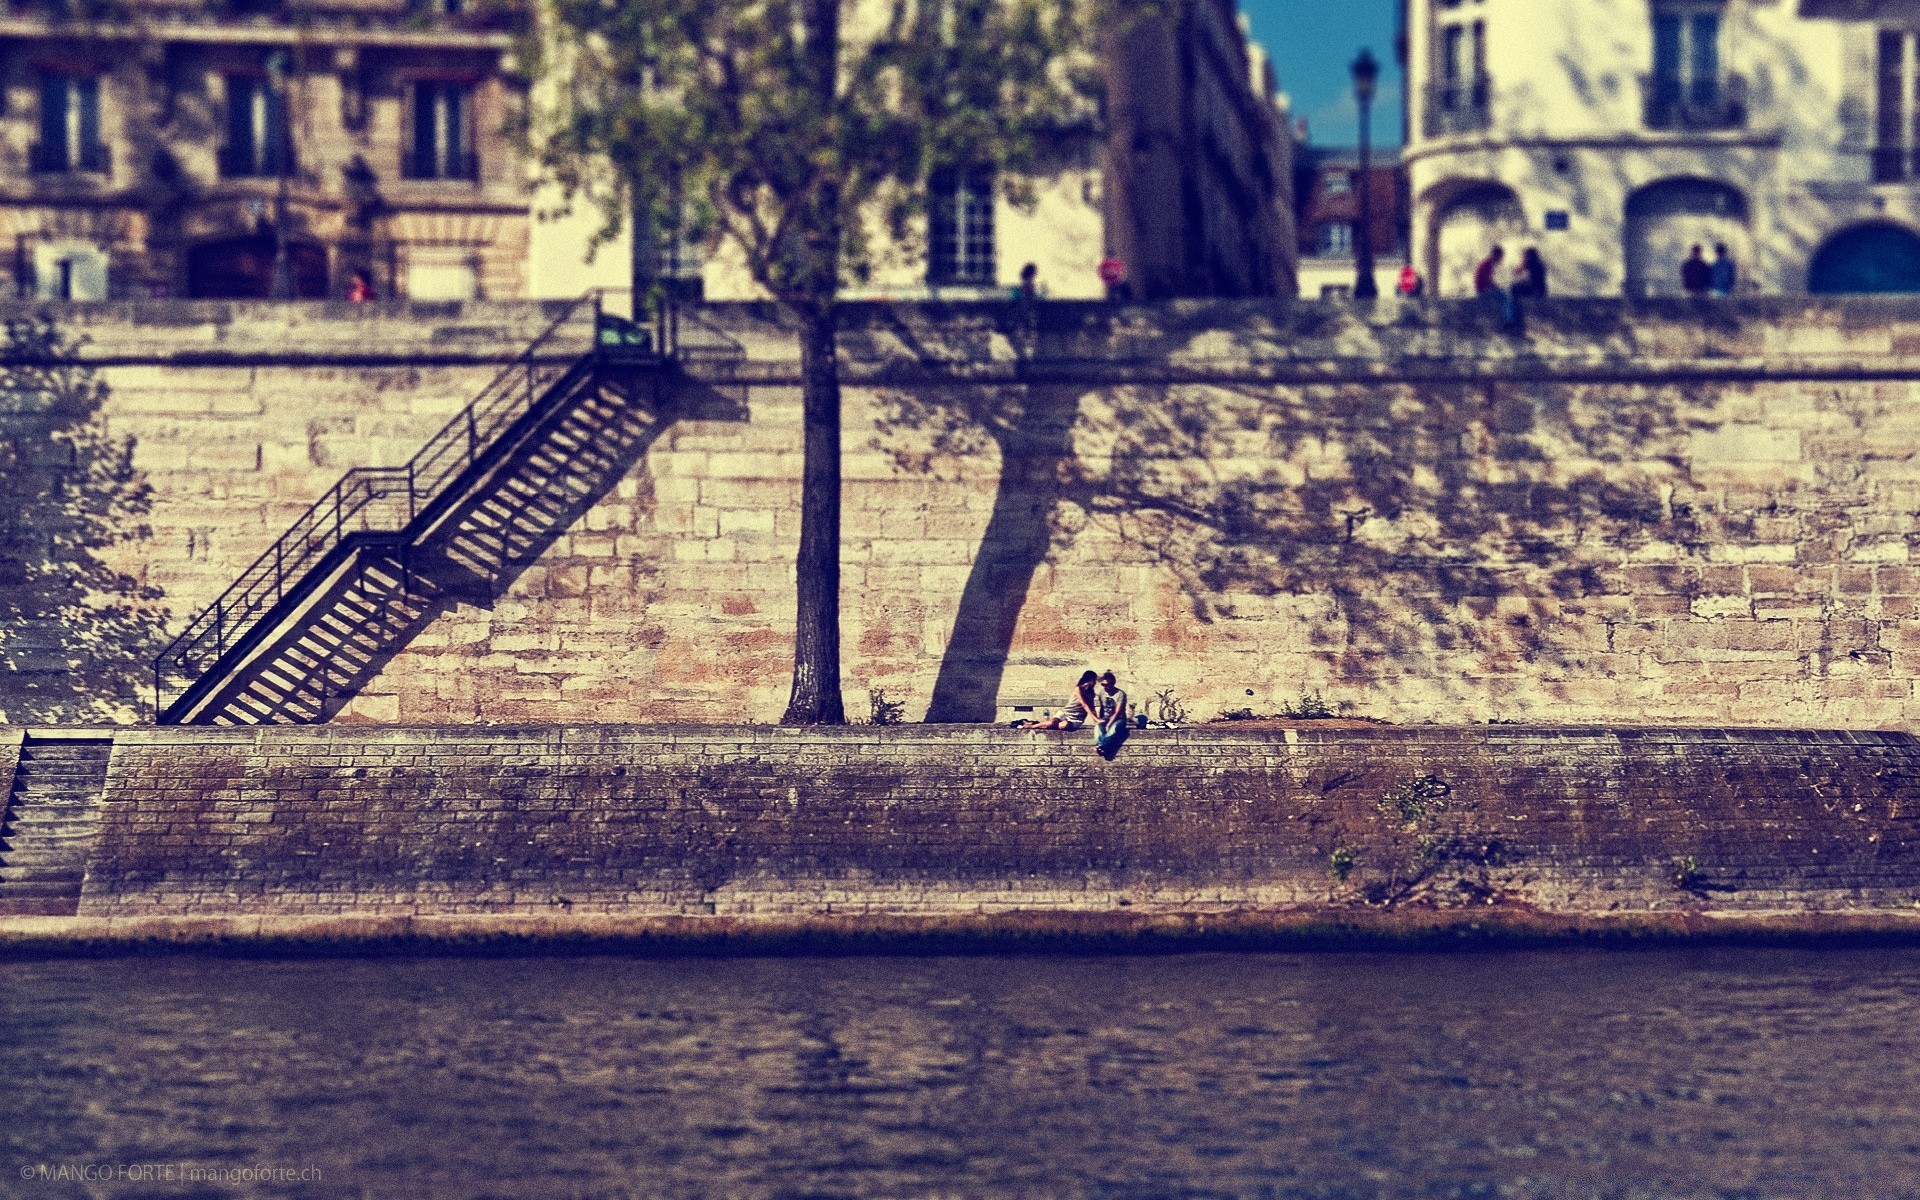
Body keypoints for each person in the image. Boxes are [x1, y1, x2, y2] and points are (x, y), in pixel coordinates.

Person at [1017, 670, 1097, 731]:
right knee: (1052, 722)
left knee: (1063, 726)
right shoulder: (1078, 688)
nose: (1095, 682)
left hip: (1076, 718)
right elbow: (1084, 704)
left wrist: (1096, 721)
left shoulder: (1091, 693)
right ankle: (1032, 726)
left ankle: (1039, 723)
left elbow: (1092, 708)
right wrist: (1095, 719)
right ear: (1090, 680)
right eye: (1094, 680)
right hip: (1065, 712)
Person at [1093, 670, 1130, 759]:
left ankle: (1101, 746)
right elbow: (1102, 708)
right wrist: (1099, 720)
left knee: (1113, 729)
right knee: (1098, 727)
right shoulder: (1102, 693)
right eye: (1103, 685)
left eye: (1107, 685)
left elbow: (1117, 712)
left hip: (1119, 718)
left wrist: (1109, 724)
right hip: (1106, 717)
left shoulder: (1120, 694)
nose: (1105, 687)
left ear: (1112, 684)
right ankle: (1100, 746)